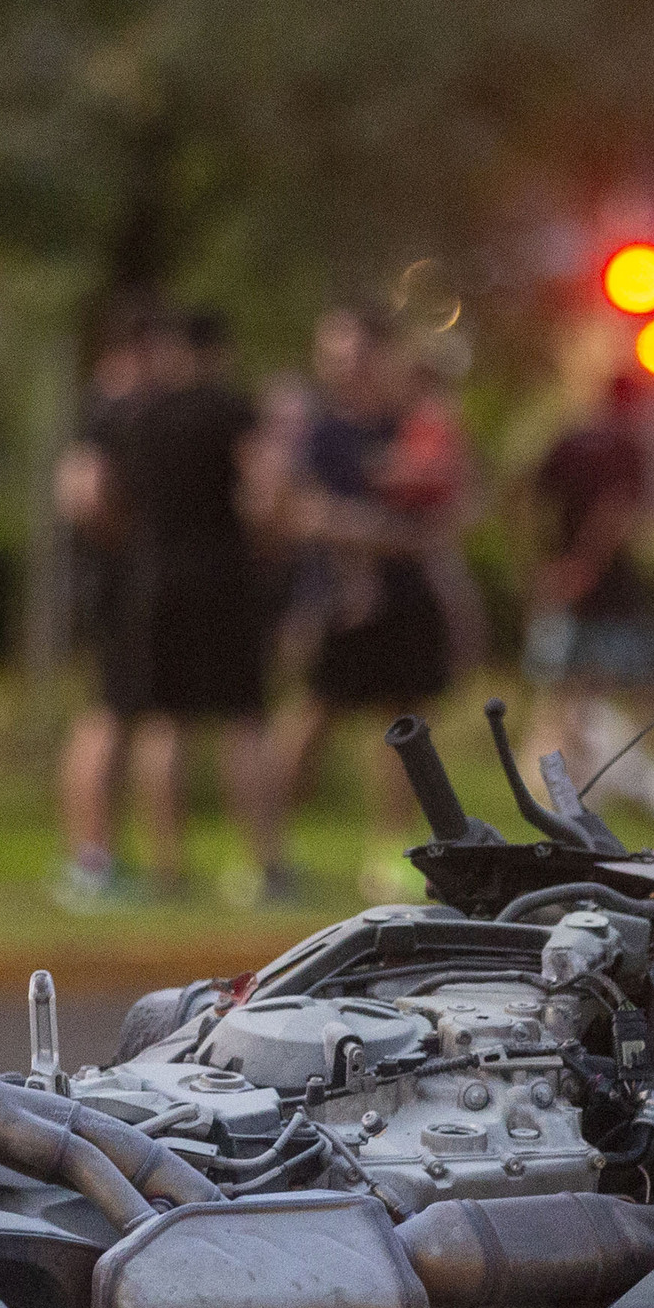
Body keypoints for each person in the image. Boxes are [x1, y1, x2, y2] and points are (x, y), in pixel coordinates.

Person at [52, 307, 290, 905]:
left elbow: (87, 493)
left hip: (149, 580)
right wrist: (265, 540)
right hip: (220, 575)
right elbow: (269, 488)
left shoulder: (136, 415)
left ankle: (167, 867)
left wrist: (128, 541)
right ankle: (264, 866)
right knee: (242, 716)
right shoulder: (230, 408)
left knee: (163, 719)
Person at [257, 308, 472, 894]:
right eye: (335, 355)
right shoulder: (318, 431)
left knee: (403, 727)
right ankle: (268, 852)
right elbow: (296, 511)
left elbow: (451, 504)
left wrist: (365, 523)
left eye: (357, 354)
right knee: (310, 720)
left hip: (405, 597)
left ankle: (392, 853)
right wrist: (385, 531)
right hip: (336, 600)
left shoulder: (413, 423)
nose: (346, 367)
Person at [526, 372, 654, 762]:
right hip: (612, 582)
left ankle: (557, 769)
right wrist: (583, 565)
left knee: (561, 684)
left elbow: (527, 498)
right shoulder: (626, 446)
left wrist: (544, 562)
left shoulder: (566, 441)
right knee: (644, 682)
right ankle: (647, 768)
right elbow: (617, 513)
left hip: (566, 580)